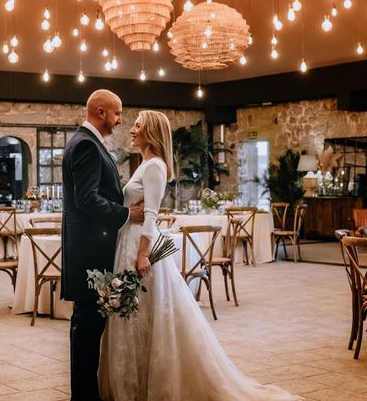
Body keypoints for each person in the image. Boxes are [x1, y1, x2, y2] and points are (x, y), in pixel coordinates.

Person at [98, 110, 296, 401]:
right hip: (127, 242)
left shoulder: (154, 167)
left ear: (150, 132)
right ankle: (133, 381)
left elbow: (151, 215)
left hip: (138, 249)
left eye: (137, 126)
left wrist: (142, 255)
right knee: (134, 316)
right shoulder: (145, 164)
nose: (131, 130)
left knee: (143, 315)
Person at [62, 89, 144, 401]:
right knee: (86, 332)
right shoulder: (86, 145)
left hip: (88, 251)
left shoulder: (87, 143)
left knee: (87, 330)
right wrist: (126, 214)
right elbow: (87, 200)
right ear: (100, 112)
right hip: (89, 254)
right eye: (117, 114)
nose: (120, 120)